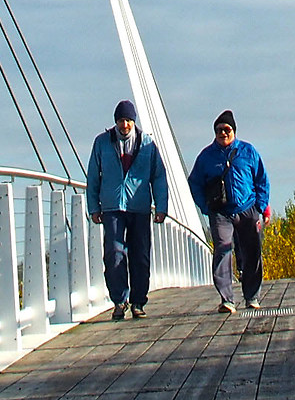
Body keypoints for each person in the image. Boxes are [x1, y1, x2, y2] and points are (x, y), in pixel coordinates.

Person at [85, 99, 170, 320]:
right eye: (121, 120)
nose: (125, 125)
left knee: (140, 255)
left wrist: (161, 206)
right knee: (113, 254)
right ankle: (119, 301)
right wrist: (94, 207)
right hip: (112, 207)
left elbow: (158, 176)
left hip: (139, 207)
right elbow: (93, 176)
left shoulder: (147, 144)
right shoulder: (102, 143)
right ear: (115, 121)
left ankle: (138, 301)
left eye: (129, 121)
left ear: (134, 122)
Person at [188, 108, 270, 311]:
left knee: (252, 252)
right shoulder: (206, 156)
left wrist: (261, 205)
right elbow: (195, 183)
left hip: (247, 209)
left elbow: (261, 179)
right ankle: (226, 299)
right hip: (221, 212)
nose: (223, 133)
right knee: (223, 250)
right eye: (218, 130)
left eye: (226, 129)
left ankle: (252, 296)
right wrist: (206, 207)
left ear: (234, 131)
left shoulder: (248, 151)